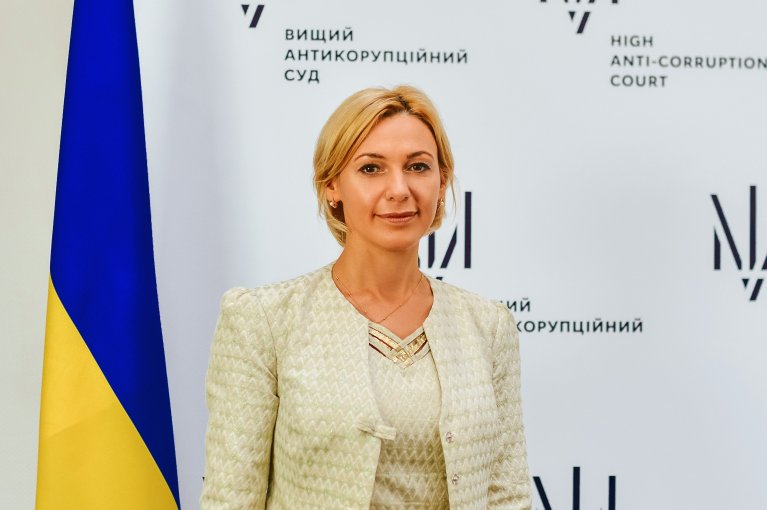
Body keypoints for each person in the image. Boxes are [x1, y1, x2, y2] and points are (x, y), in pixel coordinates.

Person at [200, 85, 531, 509]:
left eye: (418, 166)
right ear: (332, 186)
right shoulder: (264, 319)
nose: (399, 189)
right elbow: (229, 499)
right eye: (371, 168)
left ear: (442, 182)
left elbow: (508, 495)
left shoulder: (488, 325)